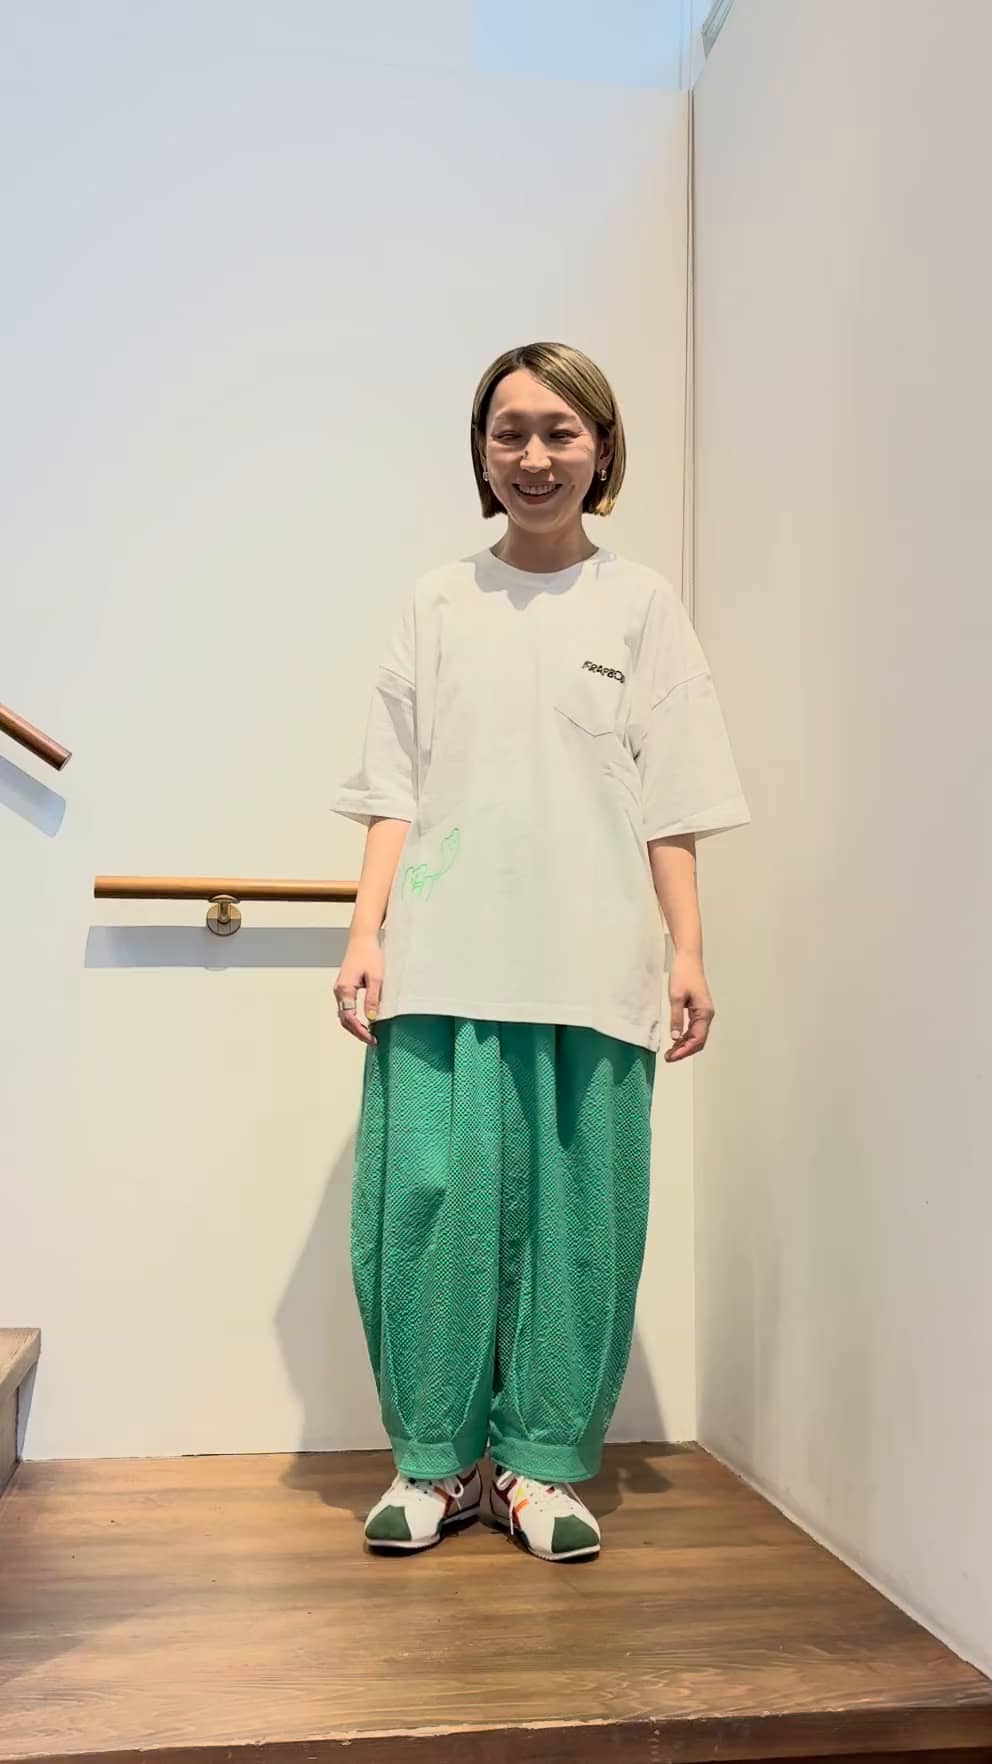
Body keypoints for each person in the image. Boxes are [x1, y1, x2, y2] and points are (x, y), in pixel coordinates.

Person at [330, 340, 750, 1563]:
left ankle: (538, 1465)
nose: (532, 456)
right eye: (507, 431)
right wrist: (365, 931)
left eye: (559, 431)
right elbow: (392, 791)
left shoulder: (640, 605)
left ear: (601, 449)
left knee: (581, 1223)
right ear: (479, 451)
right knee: (425, 1213)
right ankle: (434, 1461)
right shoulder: (433, 603)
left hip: (592, 963)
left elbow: (670, 801)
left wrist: (686, 950)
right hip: (442, 960)